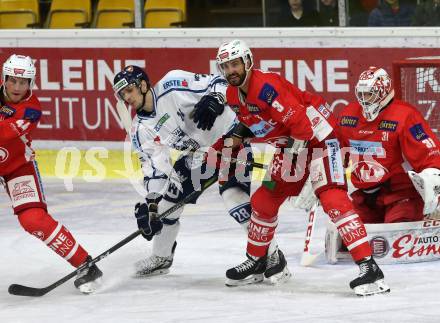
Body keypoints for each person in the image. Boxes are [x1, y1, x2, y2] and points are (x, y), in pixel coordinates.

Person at [215, 39, 390, 296]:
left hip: (321, 137)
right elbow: (249, 122)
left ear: (248, 62)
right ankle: (257, 261)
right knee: (265, 197)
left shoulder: (266, 88)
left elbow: (301, 127)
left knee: (332, 199)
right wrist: (225, 148)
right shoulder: (233, 94)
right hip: (294, 144)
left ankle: (369, 267)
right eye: (225, 66)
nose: (231, 70)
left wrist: (302, 170)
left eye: (235, 64)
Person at [112, 66, 290, 284]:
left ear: (142, 84)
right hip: (198, 155)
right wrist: (151, 207)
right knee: (166, 207)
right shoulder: (141, 130)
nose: (127, 97)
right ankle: (161, 257)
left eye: (130, 90)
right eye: (123, 94)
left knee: (233, 198)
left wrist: (215, 99)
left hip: (230, 138)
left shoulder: (172, 84)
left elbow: (219, 82)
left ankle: (272, 255)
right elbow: (156, 170)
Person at [0, 54, 102, 294]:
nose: (17, 87)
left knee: (33, 219)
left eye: (23, 82)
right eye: (13, 80)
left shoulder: (31, 109)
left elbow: (3, 134)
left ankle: (85, 264)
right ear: (4, 79)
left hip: (17, 167)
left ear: (31, 84)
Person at [337, 66, 440, 224]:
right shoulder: (348, 116)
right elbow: (335, 153)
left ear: (383, 92)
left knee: (396, 234)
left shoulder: (405, 115)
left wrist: (432, 176)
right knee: (348, 237)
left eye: (369, 94)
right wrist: (323, 177)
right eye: (361, 94)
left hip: (401, 193)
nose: (364, 99)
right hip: (364, 197)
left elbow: (429, 153)